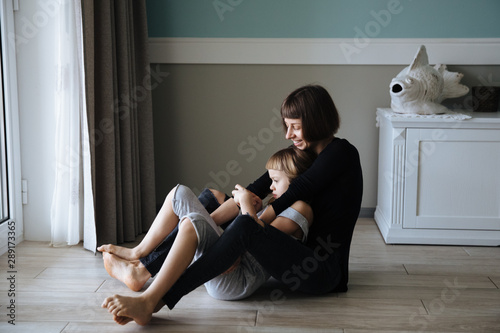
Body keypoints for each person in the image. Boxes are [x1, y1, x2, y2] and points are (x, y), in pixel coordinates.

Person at [102, 84, 363, 326]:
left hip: (321, 271)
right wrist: (226, 210)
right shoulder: (301, 152)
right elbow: (257, 188)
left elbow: (298, 190)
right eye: (286, 126)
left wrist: (247, 225)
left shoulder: (342, 153)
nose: (288, 134)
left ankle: (153, 300)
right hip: (289, 253)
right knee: (211, 198)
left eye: (295, 126)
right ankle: (144, 266)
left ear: (316, 121)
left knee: (246, 226)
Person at [100, 146, 316, 325]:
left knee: (192, 221)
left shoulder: (300, 209)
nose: (270, 186)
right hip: (227, 264)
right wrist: (246, 205)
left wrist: (247, 207)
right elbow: (249, 228)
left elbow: (254, 239)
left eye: (276, 181)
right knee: (180, 193)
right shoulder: (278, 205)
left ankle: (148, 301)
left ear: (296, 182)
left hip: (236, 280)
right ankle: (139, 255)